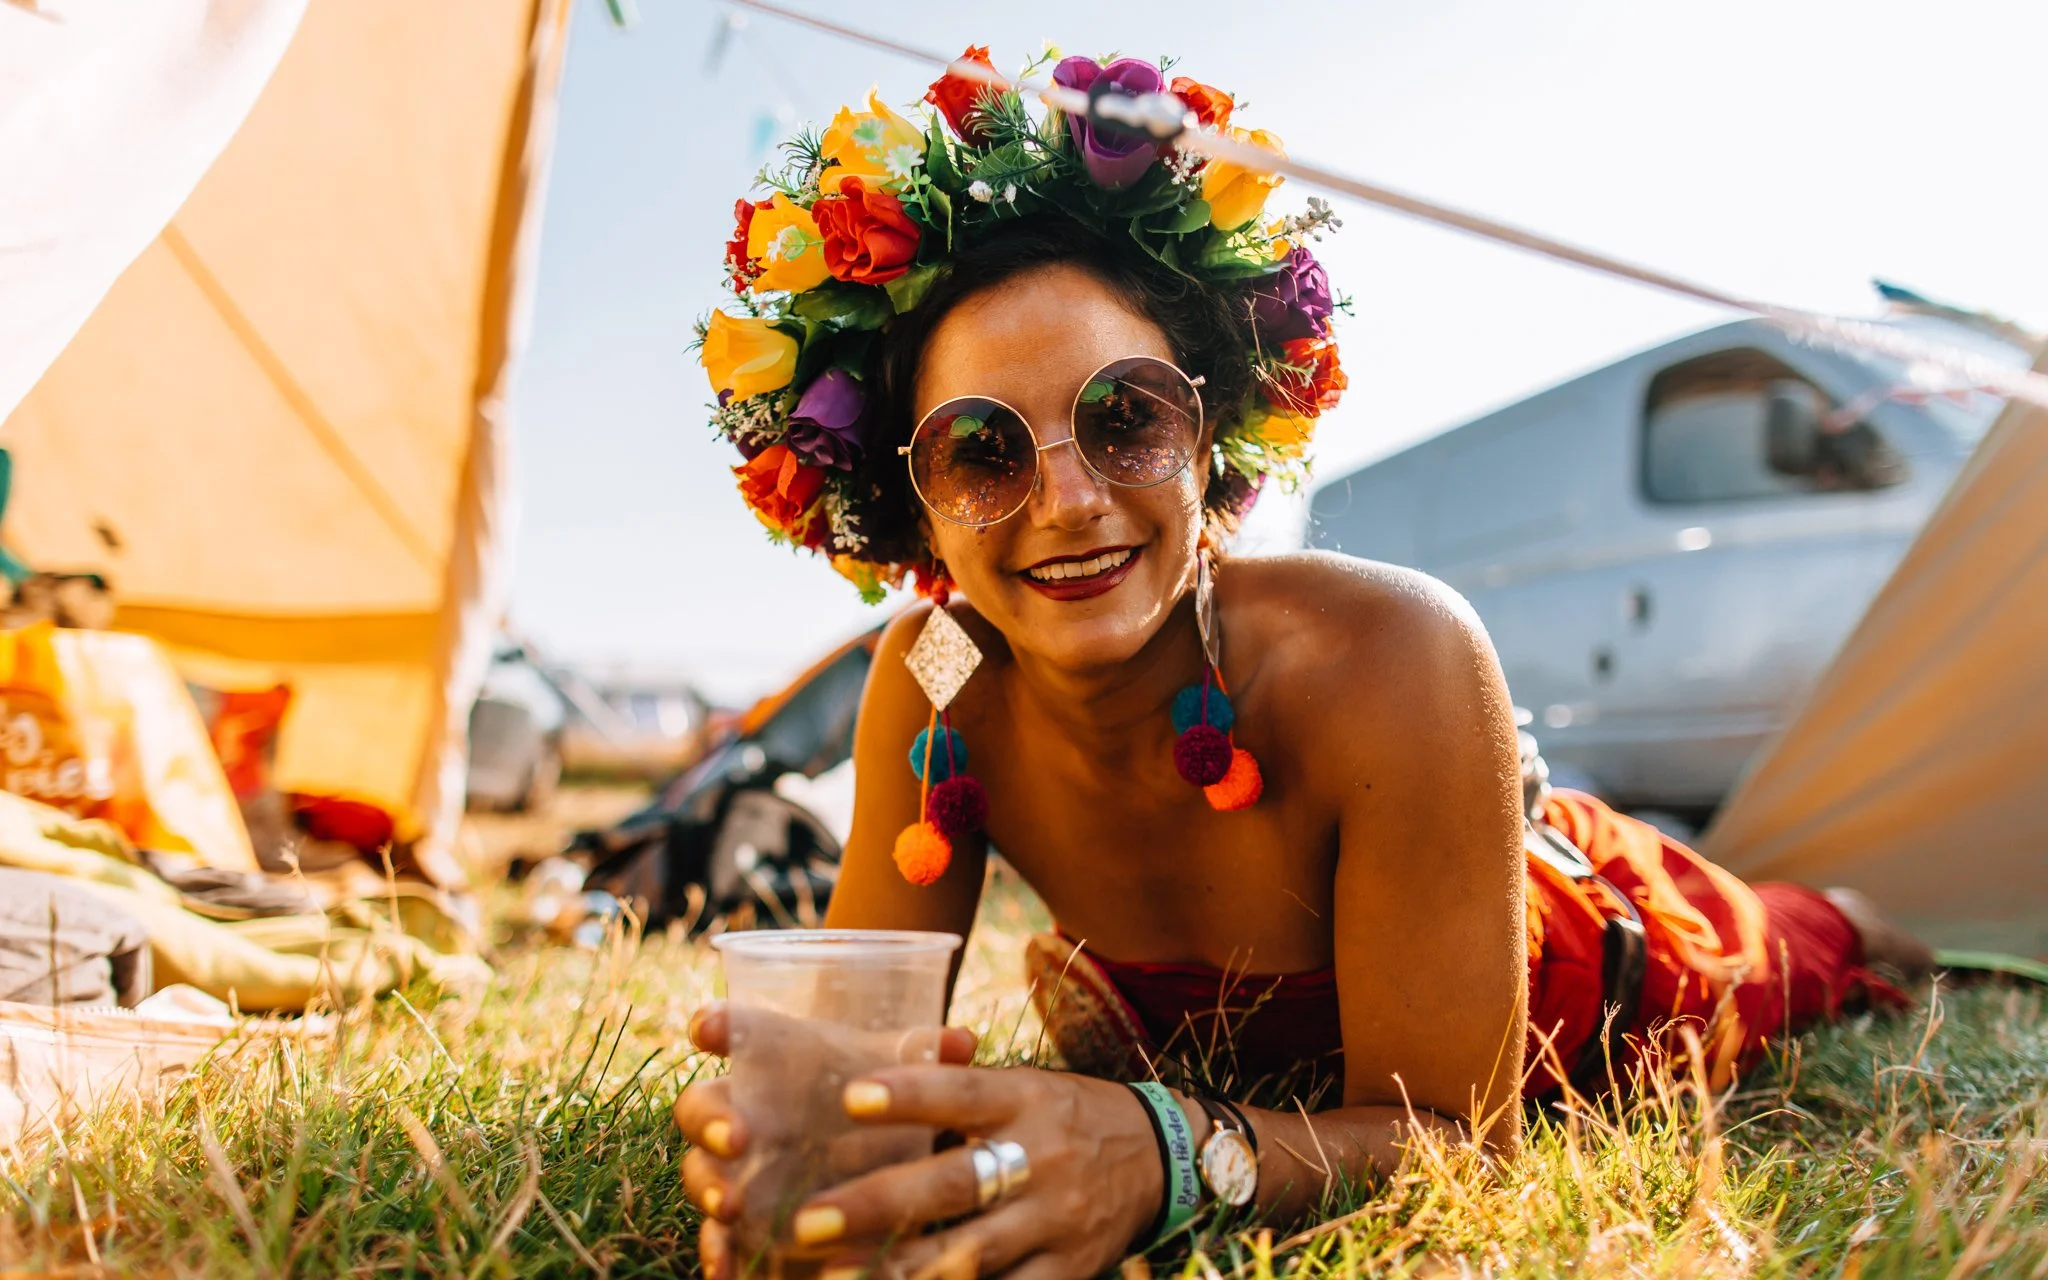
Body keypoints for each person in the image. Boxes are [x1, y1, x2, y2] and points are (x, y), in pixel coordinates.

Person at [672, 49, 1929, 1280]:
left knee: (1800, 944)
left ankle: (1856, 914)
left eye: (1125, 418)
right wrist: (809, 1135)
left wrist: (1168, 1150)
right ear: (915, 510)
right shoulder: (933, 676)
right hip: (1266, 1050)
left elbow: (1460, 1148)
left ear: (1206, 432)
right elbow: (862, 1055)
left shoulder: (1393, 646)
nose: (1065, 499)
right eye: (980, 452)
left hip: (1606, 970)